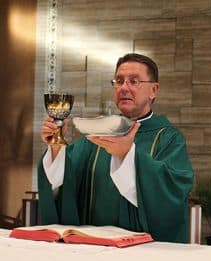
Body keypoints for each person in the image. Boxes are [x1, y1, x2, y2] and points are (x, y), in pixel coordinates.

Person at [38, 53, 194, 243]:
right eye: (119, 81)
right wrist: (55, 145)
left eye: (134, 81)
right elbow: (64, 182)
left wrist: (127, 155)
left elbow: (173, 194)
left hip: (142, 252)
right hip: (92, 247)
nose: (124, 88)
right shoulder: (97, 134)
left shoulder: (168, 139)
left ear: (154, 90)